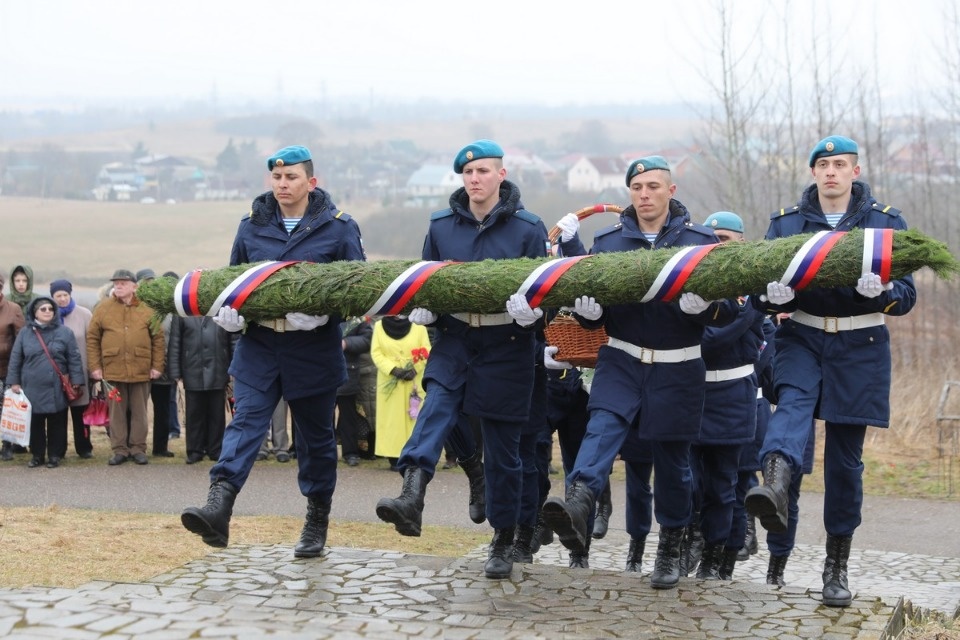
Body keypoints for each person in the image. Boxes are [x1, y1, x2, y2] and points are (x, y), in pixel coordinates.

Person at [539, 155, 738, 590]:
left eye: (653, 186)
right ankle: (578, 501)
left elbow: (730, 310)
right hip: (623, 358)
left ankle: (669, 546)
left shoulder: (702, 243)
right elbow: (593, 308)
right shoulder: (609, 242)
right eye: (637, 187)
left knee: (673, 464)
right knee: (601, 427)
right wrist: (591, 314)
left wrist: (707, 307)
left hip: (678, 365)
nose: (644, 195)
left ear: (671, 190)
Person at [747, 135, 917, 607]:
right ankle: (774, 486)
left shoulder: (886, 223)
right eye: (823, 165)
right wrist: (771, 298)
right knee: (791, 406)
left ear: (855, 172)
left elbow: (906, 295)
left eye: (840, 164)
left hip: (861, 344)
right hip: (803, 334)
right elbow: (757, 290)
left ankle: (836, 564)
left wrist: (883, 292)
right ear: (813, 172)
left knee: (845, 462)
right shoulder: (786, 225)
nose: (831, 172)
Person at [374, 139, 550, 580]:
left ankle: (503, 537)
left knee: (504, 454)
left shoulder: (529, 229)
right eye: (468, 173)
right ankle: (412, 494)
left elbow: (546, 293)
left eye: (483, 171)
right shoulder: (441, 226)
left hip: (508, 345)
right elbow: (426, 281)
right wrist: (427, 311)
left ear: (501, 175)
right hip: (455, 341)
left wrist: (534, 315)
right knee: (435, 408)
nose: (474, 179)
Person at [180, 145, 366, 558]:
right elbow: (234, 281)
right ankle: (219, 505)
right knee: (246, 422)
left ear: (311, 182)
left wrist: (326, 316)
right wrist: (231, 316)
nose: (283, 184)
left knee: (315, 440)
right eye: (277, 177)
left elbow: (359, 292)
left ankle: (316, 517)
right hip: (260, 346)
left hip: (313, 349)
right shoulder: (251, 226)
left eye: (291, 177)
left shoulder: (339, 228)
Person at [687, 211, 765, 580]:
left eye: (724, 239)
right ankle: (692, 543)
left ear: (741, 242)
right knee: (690, 482)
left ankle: (721, 556)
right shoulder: (695, 284)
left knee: (725, 485)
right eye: (711, 239)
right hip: (694, 393)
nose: (717, 246)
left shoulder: (753, 287)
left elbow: (713, 340)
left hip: (733, 394)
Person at [86, 269, 166, 466]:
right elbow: (93, 338)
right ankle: (120, 450)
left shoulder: (147, 309)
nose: (118, 286)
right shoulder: (103, 308)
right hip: (113, 370)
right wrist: (95, 366)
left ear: (134, 286)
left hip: (141, 369)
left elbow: (158, 339)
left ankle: (138, 449)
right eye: (116, 283)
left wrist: (157, 366)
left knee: (140, 412)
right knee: (117, 413)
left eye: (123, 283)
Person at [6, 296, 84, 468]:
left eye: (51, 309)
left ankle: (55, 455)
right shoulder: (25, 333)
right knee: (35, 422)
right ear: (35, 312)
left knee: (58, 421)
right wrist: (14, 382)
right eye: (43, 309)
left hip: (57, 385)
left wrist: (77, 380)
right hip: (32, 385)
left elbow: (74, 358)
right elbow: (16, 358)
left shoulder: (65, 332)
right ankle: (37, 455)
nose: (48, 312)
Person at [168, 314, 236, 464]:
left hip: (219, 368)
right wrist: (175, 372)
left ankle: (216, 449)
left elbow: (232, 340)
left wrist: (234, 367)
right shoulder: (182, 311)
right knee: (194, 414)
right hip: (192, 369)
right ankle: (194, 450)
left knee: (217, 414)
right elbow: (175, 342)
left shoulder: (221, 309)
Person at [370, 315, 431, 470]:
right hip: (389, 379)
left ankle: (414, 455)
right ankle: (393, 457)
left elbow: (426, 350)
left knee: (413, 419)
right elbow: (376, 353)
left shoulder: (419, 327)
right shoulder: (379, 326)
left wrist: (415, 369)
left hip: (413, 381)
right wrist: (393, 370)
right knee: (391, 420)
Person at [50, 279, 94, 459]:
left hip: (80, 371)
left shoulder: (84, 314)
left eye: (65, 295)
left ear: (70, 294)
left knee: (80, 411)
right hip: (56, 373)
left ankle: (84, 447)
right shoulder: (48, 315)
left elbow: (92, 343)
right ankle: (58, 450)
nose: (62, 299)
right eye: (58, 296)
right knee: (58, 413)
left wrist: (93, 369)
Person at [138, 269, 176, 458]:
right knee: (137, 410)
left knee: (163, 410)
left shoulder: (167, 310)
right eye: (145, 283)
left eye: (152, 283)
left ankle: (160, 447)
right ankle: (136, 446)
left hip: (163, 368)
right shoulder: (135, 309)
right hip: (139, 368)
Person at [336, 316, 375, 466]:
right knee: (323, 417)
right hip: (324, 371)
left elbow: (367, 340)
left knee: (348, 417)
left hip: (348, 372)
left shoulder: (357, 318)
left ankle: (350, 452)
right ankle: (325, 452)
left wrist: (346, 343)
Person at [0, 271, 26, 461]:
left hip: (6, 368)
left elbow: (21, 341)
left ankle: (7, 445)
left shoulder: (13, 309)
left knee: (6, 409)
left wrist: (18, 370)